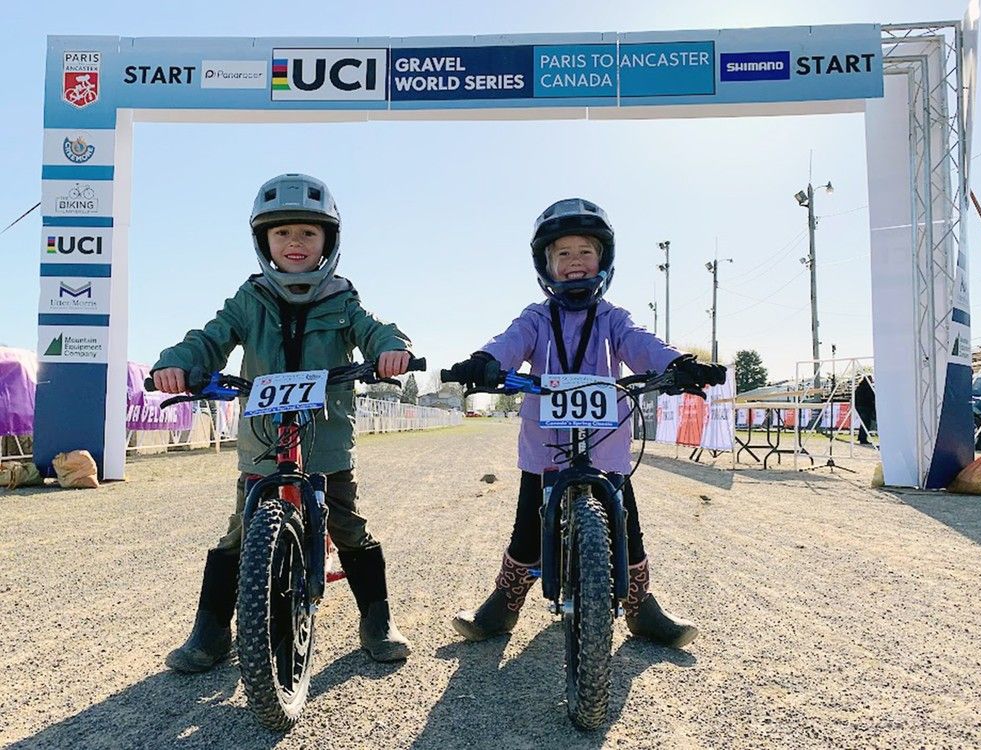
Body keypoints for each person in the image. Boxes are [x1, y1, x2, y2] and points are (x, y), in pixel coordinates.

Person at [152, 173, 413, 671]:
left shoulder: (343, 298)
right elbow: (210, 337)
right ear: (264, 242)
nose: (296, 243)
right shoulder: (249, 299)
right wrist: (177, 362)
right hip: (263, 442)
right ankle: (209, 631)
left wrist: (392, 350)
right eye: (283, 233)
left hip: (326, 442)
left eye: (308, 234)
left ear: (328, 242)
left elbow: (376, 330)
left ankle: (378, 619)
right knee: (239, 533)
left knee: (349, 527)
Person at [445, 198, 726, 647]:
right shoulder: (537, 316)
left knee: (627, 527)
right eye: (563, 254)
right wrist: (484, 362)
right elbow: (511, 340)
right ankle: (504, 606)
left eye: (585, 252)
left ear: (603, 260)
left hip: (607, 447)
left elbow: (640, 343)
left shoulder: (613, 318)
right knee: (527, 529)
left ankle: (641, 609)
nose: (575, 262)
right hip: (545, 450)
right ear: (547, 264)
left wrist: (677, 364)